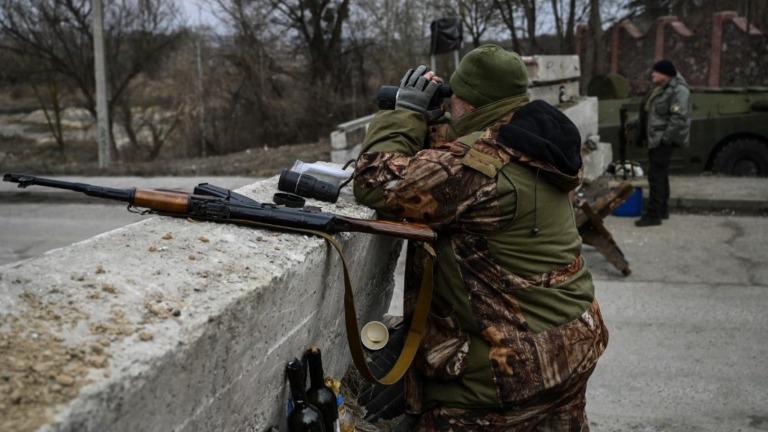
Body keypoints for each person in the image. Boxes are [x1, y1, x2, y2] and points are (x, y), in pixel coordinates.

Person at [353, 44, 608, 431]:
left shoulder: (479, 167)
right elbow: (459, 167)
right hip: (569, 347)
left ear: (468, 103)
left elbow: (374, 181)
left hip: (502, 379)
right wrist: (442, 122)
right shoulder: (536, 142)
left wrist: (405, 113)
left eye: (454, 96)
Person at [631, 59, 691, 227]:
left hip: (663, 140)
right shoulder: (660, 89)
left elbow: (679, 118)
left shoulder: (679, 91)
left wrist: (665, 139)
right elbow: (651, 113)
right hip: (655, 138)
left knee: (655, 176)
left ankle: (653, 215)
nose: (652, 74)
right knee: (661, 175)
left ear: (665, 74)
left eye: (656, 72)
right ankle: (662, 209)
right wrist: (635, 122)